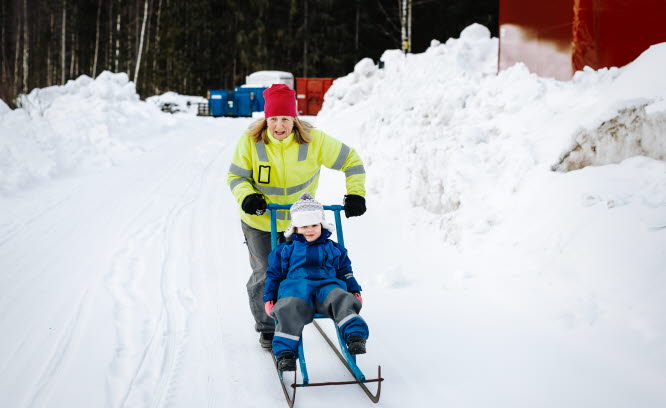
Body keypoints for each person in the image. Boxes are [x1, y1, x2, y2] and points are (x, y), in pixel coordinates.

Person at [227, 83, 367, 349]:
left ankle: (306, 307)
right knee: (265, 273)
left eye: (285, 119)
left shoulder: (314, 139)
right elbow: (235, 176)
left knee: (306, 269)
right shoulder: (250, 141)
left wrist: (356, 194)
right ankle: (268, 328)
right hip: (259, 219)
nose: (279, 126)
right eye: (274, 119)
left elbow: (352, 161)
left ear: (295, 119)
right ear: (266, 118)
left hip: (300, 221)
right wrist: (247, 196)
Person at [264, 192, 369, 371]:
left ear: (322, 225)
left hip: (327, 287)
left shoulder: (334, 248)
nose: (310, 229)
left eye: (314, 224)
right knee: (287, 307)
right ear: (295, 228)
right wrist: (270, 296)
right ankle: (286, 354)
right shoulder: (285, 250)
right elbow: (274, 275)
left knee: (341, 298)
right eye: (304, 226)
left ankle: (355, 336)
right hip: (296, 288)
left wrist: (354, 289)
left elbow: (345, 272)